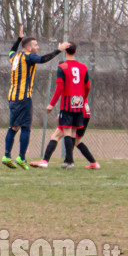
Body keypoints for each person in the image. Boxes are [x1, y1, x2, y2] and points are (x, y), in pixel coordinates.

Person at [2, 25, 70, 170]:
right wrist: (60, 49)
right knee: (26, 127)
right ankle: (21, 157)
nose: (38, 47)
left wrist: (19, 39)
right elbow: (43, 59)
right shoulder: (29, 57)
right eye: (35, 45)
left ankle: (7, 155)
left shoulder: (15, 57)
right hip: (23, 97)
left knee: (13, 127)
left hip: (12, 97)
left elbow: (11, 51)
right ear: (28, 48)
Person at [30, 42, 91, 170]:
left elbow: (60, 87)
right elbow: (87, 86)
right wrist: (83, 98)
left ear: (65, 51)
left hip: (67, 103)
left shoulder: (62, 67)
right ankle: (68, 161)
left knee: (67, 132)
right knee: (72, 132)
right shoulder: (84, 67)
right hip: (79, 102)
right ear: (76, 51)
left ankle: (69, 161)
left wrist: (51, 104)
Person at [31, 97, 99, 169]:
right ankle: (92, 163)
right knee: (76, 141)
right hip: (85, 112)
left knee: (55, 136)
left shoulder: (70, 85)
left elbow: (70, 94)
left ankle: (46, 161)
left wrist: (61, 112)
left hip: (74, 111)